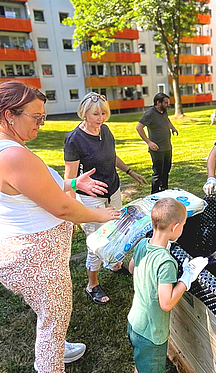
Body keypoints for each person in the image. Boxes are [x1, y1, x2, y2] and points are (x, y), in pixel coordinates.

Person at [0, 81, 120, 373]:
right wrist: (102, 217)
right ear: (10, 115)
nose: (41, 124)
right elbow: (61, 207)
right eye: (36, 117)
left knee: (53, 311)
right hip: (30, 257)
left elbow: (34, 187)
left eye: (44, 117)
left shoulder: (5, 144)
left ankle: (56, 346)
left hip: (33, 255)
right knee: (54, 313)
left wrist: (73, 181)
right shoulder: (12, 154)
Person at [64, 92, 147, 305]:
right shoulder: (75, 140)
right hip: (90, 197)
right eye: (95, 114)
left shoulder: (106, 130)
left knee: (117, 230)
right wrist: (73, 211)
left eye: (103, 113)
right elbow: (70, 178)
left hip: (113, 189)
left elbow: (111, 155)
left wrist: (130, 172)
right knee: (97, 241)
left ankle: (115, 264)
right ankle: (92, 284)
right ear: (84, 113)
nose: (100, 118)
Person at [127, 198, 208, 373]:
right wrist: (186, 279)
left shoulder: (142, 245)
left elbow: (131, 268)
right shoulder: (166, 262)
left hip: (135, 322)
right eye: (183, 226)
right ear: (175, 227)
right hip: (152, 333)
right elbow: (166, 302)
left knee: (141, 363)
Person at [136, 93, 179, 194]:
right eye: (165, 102)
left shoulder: (163, 111)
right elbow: (139, 127)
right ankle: (154, 194)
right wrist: (149, 142)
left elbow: (167, 120)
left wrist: (172, 128)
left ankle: (164, 191)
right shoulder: (150, 114)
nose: (168, 105)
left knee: (166, 171)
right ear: (158, 103)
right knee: (158, 173)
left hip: (167, 147)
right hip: (157, 149)